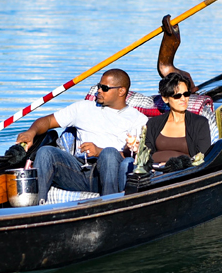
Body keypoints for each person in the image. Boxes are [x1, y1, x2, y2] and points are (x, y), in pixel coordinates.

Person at [16, 68, 148, 202]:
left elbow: (135, 157)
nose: (99, 91)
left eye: (104, 88)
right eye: (98, 86)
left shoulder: (138, 120)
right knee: (46, 152)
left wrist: (98, 151)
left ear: (121, 91)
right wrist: (31, 132)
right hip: (78, 169)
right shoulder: (83, 108)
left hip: (110, 173)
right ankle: (36, 208)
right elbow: (48, 121)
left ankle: (109, 207)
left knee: (109, 154)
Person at [145, 72, 211, 164]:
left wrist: (171, 166)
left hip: (185, 173)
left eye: (186, 94)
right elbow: (146, 155)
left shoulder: (200, 123)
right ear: (165, 98)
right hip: (155, 172)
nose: (183, 99)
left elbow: (203, 157)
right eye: (177, 96)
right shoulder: (153, 123)